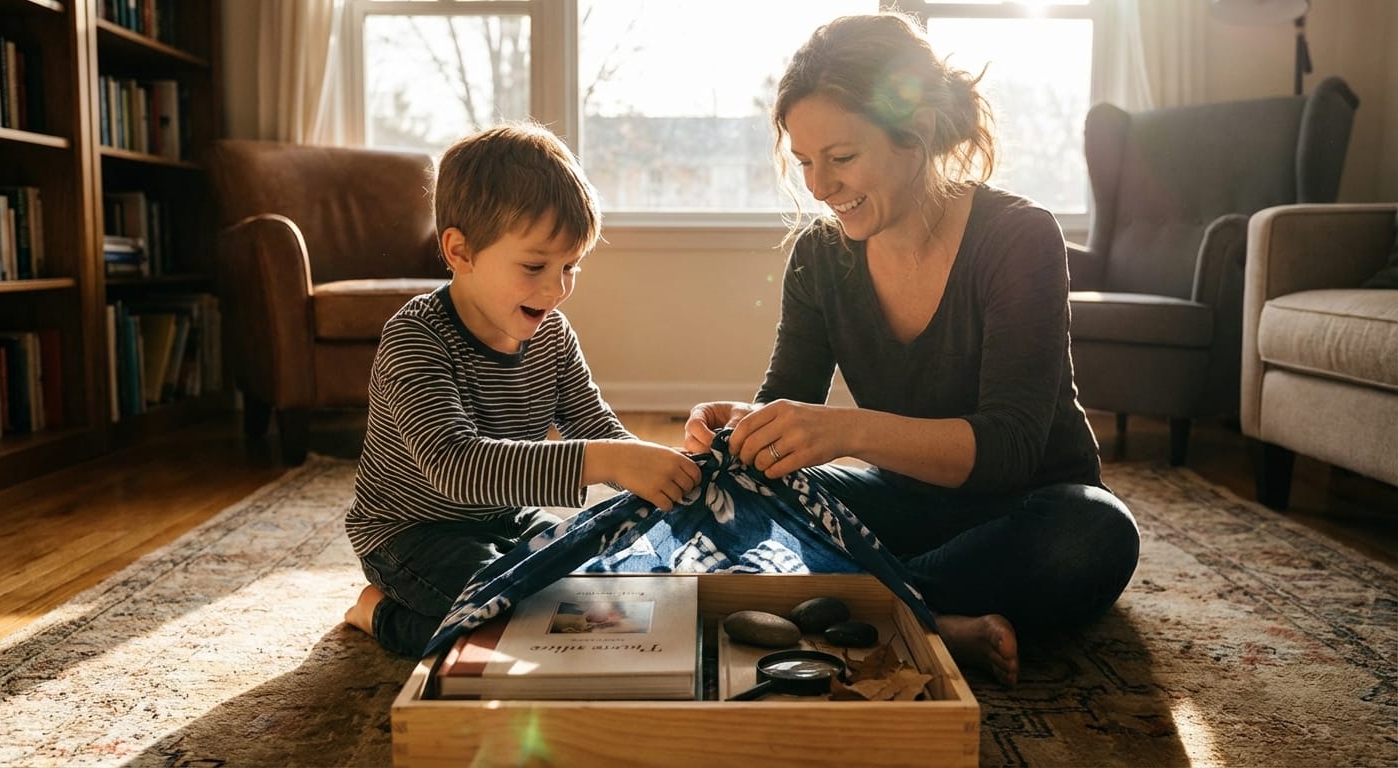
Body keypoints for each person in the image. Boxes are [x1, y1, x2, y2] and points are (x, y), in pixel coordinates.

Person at [684, 12, 1140, 686]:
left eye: (840, 158)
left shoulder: (1019, 238)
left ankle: (850, 609)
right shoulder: (819, 257)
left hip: (1029, 504)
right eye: (806, 162)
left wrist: (849, 431)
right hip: (904, 502)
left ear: (916, 133)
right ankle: (931, 619)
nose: (817, 187)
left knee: (1097, 536)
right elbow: (791, 404)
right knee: (733, 488)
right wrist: (748, 428)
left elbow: (1010, 448)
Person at [344, 122, 701, 658]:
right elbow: (456, 466)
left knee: (589, 593)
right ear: (460, 251)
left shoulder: (551, 333)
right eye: (535, 266)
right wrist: (608, 461)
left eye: (570, 266)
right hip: (410, 533)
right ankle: (380, 613)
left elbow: (594, 424)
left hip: (503, 513)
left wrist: (657, 466)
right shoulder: (415, 337)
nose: (556, 289)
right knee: (515, 625)